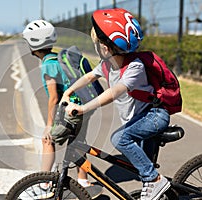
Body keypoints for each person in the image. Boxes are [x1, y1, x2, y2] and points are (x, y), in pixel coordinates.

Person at [61, 8, 171, 200]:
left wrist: (83, 108)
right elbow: (88, 77)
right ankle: (153, 184)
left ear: (105, 47)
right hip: (138, 119)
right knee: (141, 168)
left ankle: (155, 181)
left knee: (120, 139)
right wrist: (68, 91)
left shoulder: (134, 67)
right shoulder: (107, 64)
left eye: (97, 42)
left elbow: (113, 93)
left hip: (154, 116)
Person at [22, 19, 102, 199]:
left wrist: (49, 125)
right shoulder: (58, 58)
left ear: (34, 44)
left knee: (47, 140)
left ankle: (44, 184)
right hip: (83, 106)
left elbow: (54, 97)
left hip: (70, 110)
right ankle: (83, 182)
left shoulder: (48, 64)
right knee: (79, 141)